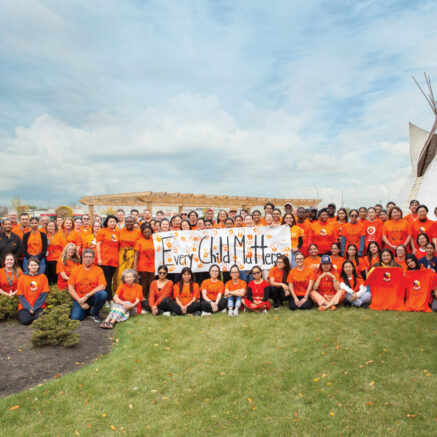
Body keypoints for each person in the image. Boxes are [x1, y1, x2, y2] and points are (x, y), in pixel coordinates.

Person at [68, 249, 107, 322]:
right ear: (82, 258)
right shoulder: (76, 269)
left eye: (90, 257)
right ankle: (86, 310)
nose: (88, 259)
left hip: (92, 297)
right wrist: (79, 300)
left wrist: (87, 296)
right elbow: (70, 288)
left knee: (103, 294)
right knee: (76, 318)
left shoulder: (98, 270)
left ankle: (94, 313)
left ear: (93, 259)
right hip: (79, 297)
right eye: (86, 257)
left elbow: (102, 286)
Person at [16, 257, 49, 325]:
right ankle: (27, 316)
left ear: (38, 266)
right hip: (24, 306)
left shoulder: (43, 277)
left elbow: (43, 295)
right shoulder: (22, 277)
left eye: (35, 265)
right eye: (31, 265)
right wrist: (28, 308)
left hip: (39, 306)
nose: (33, 267)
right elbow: (21, 295)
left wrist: (34, 308)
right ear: (28, 266)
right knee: (25, 321)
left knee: (39, 321)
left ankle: (34, 315)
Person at [96, 215, 119, 302]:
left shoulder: (117, 232)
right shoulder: (102, 231)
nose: (112, 223)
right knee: (107, 281)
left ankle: (108, 298)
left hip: (114, 260)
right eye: (111, 221)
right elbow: (98, 245)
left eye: (114, 221)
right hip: (105, 260)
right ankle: (108, 299)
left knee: (110, 280)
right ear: (107, 222)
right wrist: (99, 258)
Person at [116, 216, 141, 287]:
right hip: (122, 254)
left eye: (131, 222)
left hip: (133, 254)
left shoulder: (138, 232)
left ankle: (132, 290)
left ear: (134, 222)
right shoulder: (121, 231)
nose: (129, 223)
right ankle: (121, 289)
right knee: (121, 273)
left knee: (132, 273)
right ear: (125, 222)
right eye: (127, 222)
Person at [134, 224, 155, 300]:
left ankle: (151, 297)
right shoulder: (139, 242)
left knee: (152, 282)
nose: (147, 233)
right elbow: (136, 255)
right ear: (142, 233)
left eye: (149, 232)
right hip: (142, 265)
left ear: (151, 232)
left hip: (153, 265)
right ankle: (143, 297)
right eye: (145, 232)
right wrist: (135, 266)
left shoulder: (155, 241)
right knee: (143, 282)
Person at [45, 220, 62, 285]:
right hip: (46, 259)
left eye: (53, 226)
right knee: (47, 276)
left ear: (55, 227)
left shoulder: (59, 236)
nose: (51, 227)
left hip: (56, 260)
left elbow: (64, 248)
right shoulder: (44, 235)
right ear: (46, 227)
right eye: (49, 226)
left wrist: (60, 259)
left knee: (55, 277)